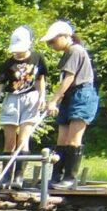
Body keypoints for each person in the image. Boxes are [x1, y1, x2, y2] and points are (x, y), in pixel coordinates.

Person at [0, 26, 48, 186]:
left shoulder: (37, 58)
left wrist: (42, 98)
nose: (17, 53)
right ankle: (6, 176)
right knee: (10, 140)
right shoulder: (8, 63)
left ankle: (18, 176)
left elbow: (41, 80)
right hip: (12, 99)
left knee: (24, 139)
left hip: (31, 98)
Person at [43, 19, 96, 189]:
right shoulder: (68, 52)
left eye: (53, 40)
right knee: (62, 138)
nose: (51, 44)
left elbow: (69, 78)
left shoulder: (75, 50)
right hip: (69, 95)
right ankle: (57, 175)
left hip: (81, 94)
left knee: (74, 138)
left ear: (66, 36)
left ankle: (70, 178)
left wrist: (53, 100)